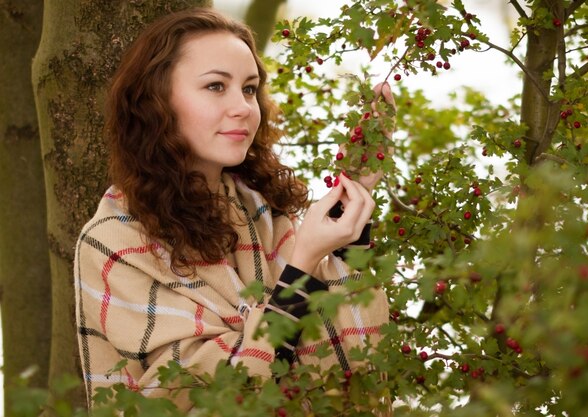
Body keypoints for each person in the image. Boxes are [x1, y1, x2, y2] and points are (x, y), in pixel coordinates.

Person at [74, 7, 395, 411]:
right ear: (156, 101)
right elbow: (193, 395)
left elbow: (339, 361)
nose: (243, 107)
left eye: (249, 89)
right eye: (215, 87)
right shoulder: (114, 241)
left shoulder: (262, 211)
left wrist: (349, 215)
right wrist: (302, 268)